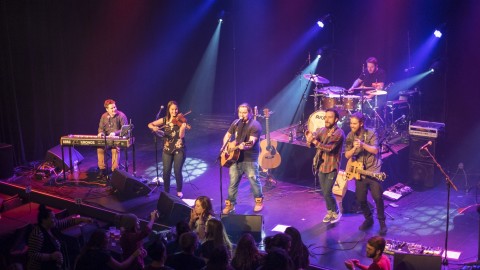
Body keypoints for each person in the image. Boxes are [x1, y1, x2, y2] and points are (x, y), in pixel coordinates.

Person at [344, 112, 387, 235]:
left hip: (373, 170)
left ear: (361, 123)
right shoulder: (350, 136)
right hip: (359, 172)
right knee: (361, 199)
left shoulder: (371, 133)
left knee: (378, 198)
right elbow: (347, 155)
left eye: (354, 123)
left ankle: (382, 223)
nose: (352, 126)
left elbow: (375, 150)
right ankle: (369, 219)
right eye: (351, 123)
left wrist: (362, 145)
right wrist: (354, 148)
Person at [222, 103, 264, 214]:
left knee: (254, 181)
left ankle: (259, 202)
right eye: (240, 112)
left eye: (244, 112)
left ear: (250, 113)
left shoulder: (255, 125)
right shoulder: (236, 123)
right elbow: (227, 136)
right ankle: (230, 204)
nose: (242, 115)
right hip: (235, 158)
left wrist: (243, 146)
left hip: (249, 158)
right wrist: (225, 146)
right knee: (233, 182)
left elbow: (250, 143)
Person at [305, 108, 345, 223]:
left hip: (332, 166)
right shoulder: (321, 130)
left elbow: (329, 149)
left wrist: (315, 142)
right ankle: (329, 212)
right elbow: (311, 143)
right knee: (324, 192)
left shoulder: (339, 133)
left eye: (330, 117)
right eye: (325, 117)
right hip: (320, 165)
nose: (326, 119)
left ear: (336, 119)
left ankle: (336, 211)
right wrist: (309, 138)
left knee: (327, 191)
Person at [27, 204, 92, 270]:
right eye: (52, 218)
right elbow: (33, 255)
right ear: (44, 220)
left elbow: (68, 222)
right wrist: (50, 256)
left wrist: (83, 219)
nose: (55, 220)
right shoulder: (37, 234)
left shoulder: (52, 226)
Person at [148, 100, 187, 198]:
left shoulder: (181, 121)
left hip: (179, 148)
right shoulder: (164, 120)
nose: (174, 112)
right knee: (166, 171)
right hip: (167, 148)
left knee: (177, 170)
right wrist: (154, 128)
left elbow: (181, 136)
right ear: (169, 110)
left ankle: (179, 191)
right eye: (172, 109)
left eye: (176, 109)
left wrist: (182, 128)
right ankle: (166, 191)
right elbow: (150, 124)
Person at [75, 229, 144, 270]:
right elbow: (120, 267)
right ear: (102, 241)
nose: (108, 240)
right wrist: (134, 255)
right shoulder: (102, 255)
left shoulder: (86, 249)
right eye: (107, 238)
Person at [97, 99, 128, 179]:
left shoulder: (121, 115)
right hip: (107, 140)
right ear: (107, 109)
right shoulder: (104, 116)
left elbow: (125, 129)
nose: (114, 109)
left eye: (115, 107)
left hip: (117, 140)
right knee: (100, 148)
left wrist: (115, 133)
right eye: (112, 108)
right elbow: (101, 128)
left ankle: (115, 171)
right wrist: (101, 133)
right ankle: (102, 169)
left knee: (115, 148)